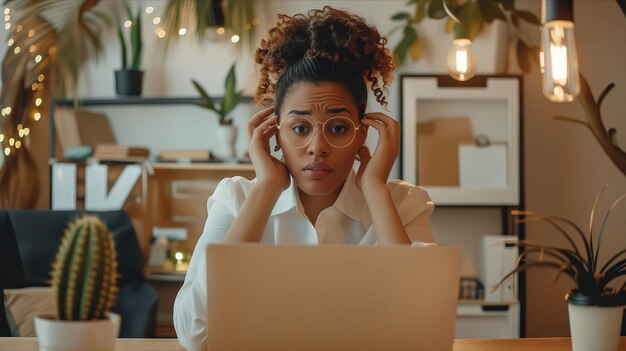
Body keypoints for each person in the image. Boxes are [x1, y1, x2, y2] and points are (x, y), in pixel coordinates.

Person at [173, 6, 435, 350]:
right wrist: (266, 188)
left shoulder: (405, 204)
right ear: (275, 134)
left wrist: (374, 188)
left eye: (339, 128)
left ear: (362, 134)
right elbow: (195, 335)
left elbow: (420, 332)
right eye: (299, 128)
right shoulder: (236, 199)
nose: (317, 147)